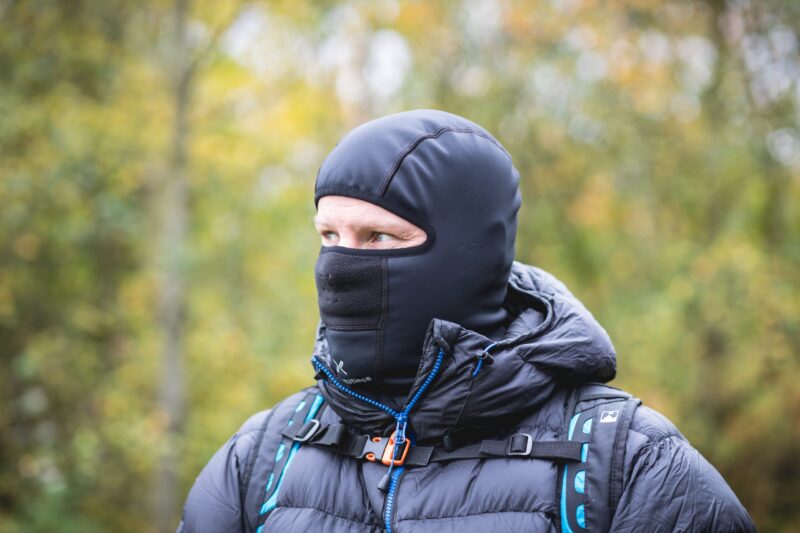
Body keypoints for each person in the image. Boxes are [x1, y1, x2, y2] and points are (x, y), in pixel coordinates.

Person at [177, 110, 755, 532]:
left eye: (379, 236)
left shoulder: (626, 464)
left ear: (468, 254)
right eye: (329, 235)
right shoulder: (265, 454)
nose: (340, 265)